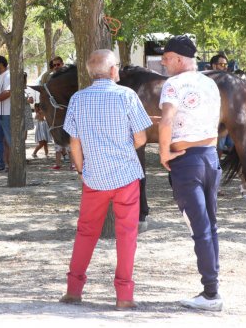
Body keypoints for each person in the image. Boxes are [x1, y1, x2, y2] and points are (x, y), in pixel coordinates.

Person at [59, 50, 151, 310]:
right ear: (112, 70)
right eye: (117, 67)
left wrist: (81, 169)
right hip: (125, 177)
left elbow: (73, 143)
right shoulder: (127, 96)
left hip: (94, 177)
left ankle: (74, 290)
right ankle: (124, 296)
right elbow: (141, 138)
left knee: (85, 233)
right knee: (127, 235)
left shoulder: (78, 99)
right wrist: (122, 149)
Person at [158, 35, 223, 312]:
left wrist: (163, 153)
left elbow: (167, 120)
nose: (163, 62)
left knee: (199, 228)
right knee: (210, 225)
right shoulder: (210, 83)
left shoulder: (173, 84)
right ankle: (212, 287)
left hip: (186, 161)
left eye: (167, 57)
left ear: (180, 59)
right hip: (210, 157)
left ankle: (211, 293)